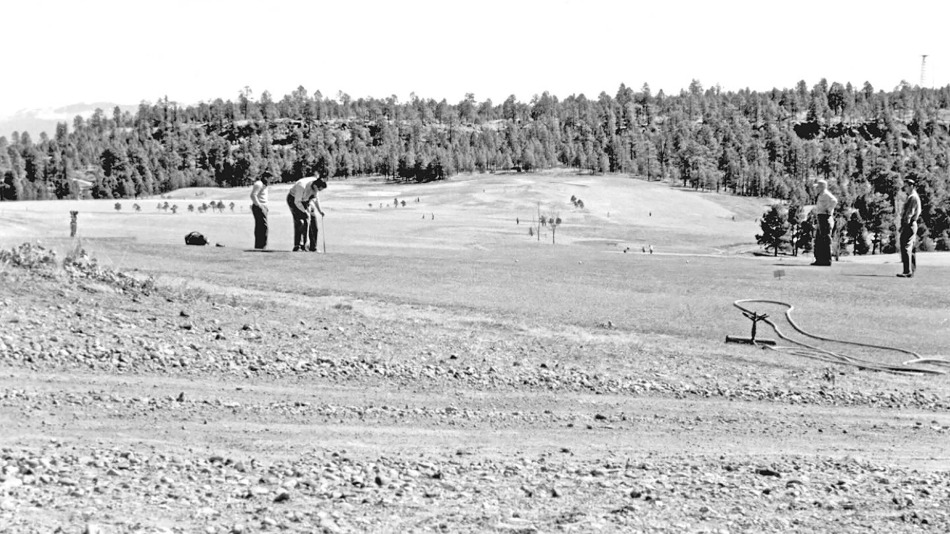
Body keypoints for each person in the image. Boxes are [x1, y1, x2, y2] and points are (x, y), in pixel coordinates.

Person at [287, 175, 326, 251]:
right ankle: (298, 246)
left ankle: (313, 247)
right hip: (294, 199)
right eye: (318, 189)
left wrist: (320, 210)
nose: (318, 191)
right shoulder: (301, 185)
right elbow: (297, 202)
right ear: (315, 186)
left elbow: (315, 198)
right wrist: (305, 212)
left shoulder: (317, 185)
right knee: (301, 222)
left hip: (306, 200)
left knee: (313, 222)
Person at [897, 177, 922, 278]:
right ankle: (911, 270)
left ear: (911, 186)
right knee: (910, 247)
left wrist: (903, 226)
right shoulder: (912, 196)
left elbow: (909, 214)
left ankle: (907, 271)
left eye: (906, 186)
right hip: (911, 224)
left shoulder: (912, 197)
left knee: (906, 246)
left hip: (909, 224)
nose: (905, 188)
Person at [811, 179, 838, 266]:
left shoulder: (826, 195)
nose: (817, 189)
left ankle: (826, 260)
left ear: (822, 187)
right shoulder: (821, 195)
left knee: (825, 240)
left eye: (818, 187)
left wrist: (829, 210)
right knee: (819, 240)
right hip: (821, 217)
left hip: (825, 217)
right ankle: (819, 260)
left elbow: (834, 201)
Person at [250, 171, 270, 249]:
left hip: (263, 207)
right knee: (263, 227)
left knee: (261, 226)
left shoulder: (265, 185)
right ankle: (262, 246)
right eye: (269, 178)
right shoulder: (259, 184)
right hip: (259, 207)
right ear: (265, 177)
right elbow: (253, 195)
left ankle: (259, 245)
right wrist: (259, 205)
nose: (270, 180)